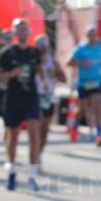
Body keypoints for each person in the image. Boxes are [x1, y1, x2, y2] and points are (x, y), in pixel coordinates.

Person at [0, 18, 45, 191]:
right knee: (12, 136)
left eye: (25, 29)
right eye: (19, 29)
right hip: (12, 97)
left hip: (31, 97)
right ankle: (12, 169)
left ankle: (32, 175)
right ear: (14, 33)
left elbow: (39, 72)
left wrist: (45, 84)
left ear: (29, 33)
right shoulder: (6, 53)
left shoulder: (34, 53)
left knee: (34, 134)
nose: (22, 32)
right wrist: (10, 74)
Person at [68, 26, 101, 146]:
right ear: (87, 36)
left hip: (96, 81)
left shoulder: (99, 48)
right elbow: (69, 62)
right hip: (84, 82)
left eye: (95, 34)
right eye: (91, 34)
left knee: (98, 107)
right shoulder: (80, 49)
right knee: (82, 109)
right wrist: (81, 63)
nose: (93, 36)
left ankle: (99, 134)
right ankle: (74, 127)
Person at [34, 33, 66, 166]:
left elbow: (64, 80)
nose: (43, 47)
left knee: (45, 129)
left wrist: (56, 73)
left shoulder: (53, 61)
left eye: (45, 44)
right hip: (35, 96)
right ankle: (34, 152)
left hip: (49, 97)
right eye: (40, 44)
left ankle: (39, 152)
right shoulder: (33, 60)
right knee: (37, 125)